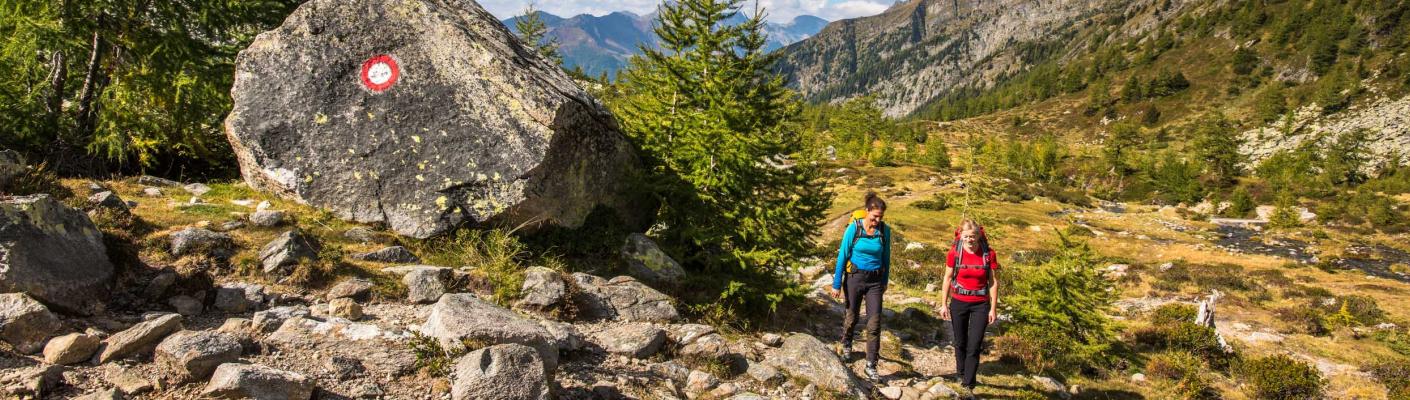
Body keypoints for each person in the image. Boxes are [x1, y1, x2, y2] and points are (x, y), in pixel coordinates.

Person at [830, 192, 891, 381]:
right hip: (854, 278)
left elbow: (886, 258)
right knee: (852, 316)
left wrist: (884, 281)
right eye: (874, 217)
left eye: (880, 217)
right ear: (867, 212)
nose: (877, 220)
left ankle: (871, 364)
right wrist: (836, 284)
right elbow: (842, 256)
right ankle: (847, 343)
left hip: (875, 281)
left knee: (874, 323)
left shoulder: (885, 231)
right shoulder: (854, 229)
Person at [938, 219, 1001, 396]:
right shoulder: (954, 253)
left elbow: (993, 282)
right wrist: (943, 304)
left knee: (974, 345)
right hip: (958, 302)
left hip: (981, 304)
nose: (970, 240)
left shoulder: (989, 254)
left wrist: (993, 308)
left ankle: (968, 384)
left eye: (973, 237)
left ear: (979, 236)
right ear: (961, 236)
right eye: (966, 237)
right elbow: (947, 278)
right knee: (960, 342)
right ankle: (961, 373)